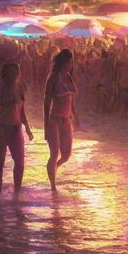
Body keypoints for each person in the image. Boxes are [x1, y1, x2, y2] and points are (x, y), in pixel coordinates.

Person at [0, 62, 33, 195]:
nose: (14, 74)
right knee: (0, 162)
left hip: (16, 129)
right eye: (11, 72)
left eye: (16, 71)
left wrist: (27, 128)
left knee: (20, 164)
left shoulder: (21, 86)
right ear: (5, 74)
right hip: (1, 129)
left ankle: (17, 193)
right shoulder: (1, 87)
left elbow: (22, 111)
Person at [44, 49, 79, 193]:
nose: (70, 64)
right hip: (54, 119)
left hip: (67, 119)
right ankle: (53, 186)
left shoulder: (68, 77)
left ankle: (54, 170)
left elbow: (71, 100)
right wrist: (45, 122)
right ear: (62, 62)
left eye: (71, 61)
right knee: (54, 152)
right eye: (68, 61)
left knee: (66, 155)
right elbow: (46, 100)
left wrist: (76, 118)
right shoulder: (54, 77)